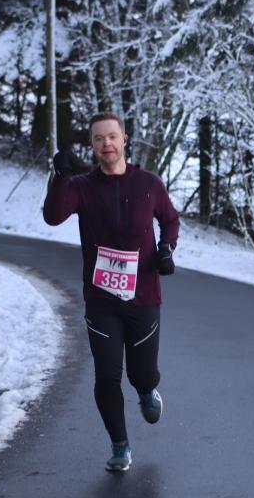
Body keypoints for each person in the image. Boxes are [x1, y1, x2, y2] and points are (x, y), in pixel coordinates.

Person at [42, 112, 180, 472]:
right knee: (106, 376)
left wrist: (166, 248)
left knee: (141, 373)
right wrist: (58, 177)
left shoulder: (148, 183)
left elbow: (170, 219)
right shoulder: (82, 187)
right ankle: (120, 446)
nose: (107, 144)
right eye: (99, 138)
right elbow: (53, 216)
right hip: (101, 298)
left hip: (144, 297)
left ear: (125, 139)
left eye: (112, 137)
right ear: (93, 145)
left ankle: (148, 390)